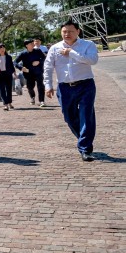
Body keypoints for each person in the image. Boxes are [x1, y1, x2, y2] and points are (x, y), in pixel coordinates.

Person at [44, 19, 100, 161]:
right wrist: (48, 85)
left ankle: (85, 148)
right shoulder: (54, 48)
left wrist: (72, 53)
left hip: (85, 85)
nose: (67, 34)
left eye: (70, 31)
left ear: (78, 32)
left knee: (86, 116)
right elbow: (48, 67)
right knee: (69, 117)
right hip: (65, 88)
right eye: (64, 31)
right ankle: (84, 138)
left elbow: (92, 60)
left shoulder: (88, 45)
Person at [15, 38, 47, 107]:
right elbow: (15, 62)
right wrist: (21, 68)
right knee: (30, 87)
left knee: (40, 86)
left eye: (33, 43)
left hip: (38, 71)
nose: (33, 44)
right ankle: (32, 97)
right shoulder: (23, 54)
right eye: (31, 43)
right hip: (28, 73)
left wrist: (39, 62)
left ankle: (42, 101)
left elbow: (44, 58)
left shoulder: (38, 51)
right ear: (26, 45)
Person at [0, 43, 16, 110]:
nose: (2, 49)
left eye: (3, 48)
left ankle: (10, 103)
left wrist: (15, 74)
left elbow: (12, 67)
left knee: (9, 89)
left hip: (8, 75)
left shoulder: (9, 57)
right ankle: (5, 104)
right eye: (0, 48)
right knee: (2, 90)